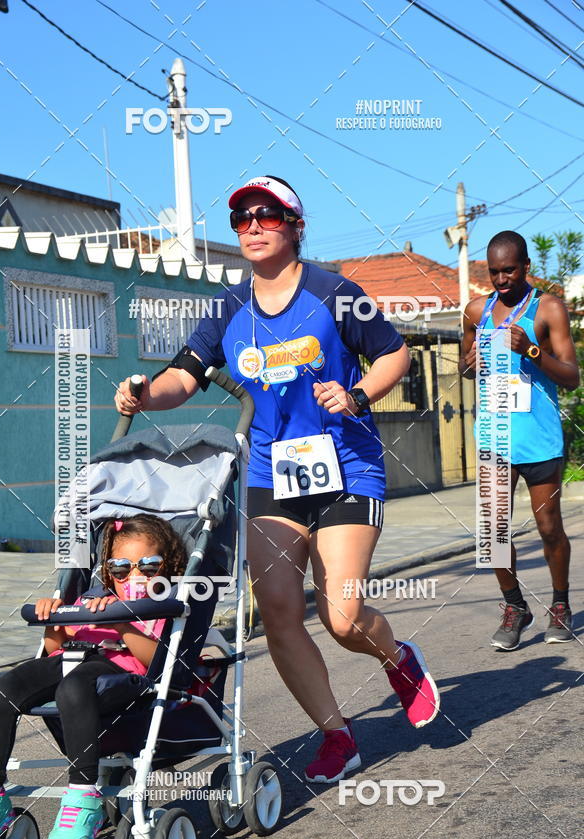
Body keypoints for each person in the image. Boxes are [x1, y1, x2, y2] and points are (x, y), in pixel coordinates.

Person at [115, 175, 440, 784]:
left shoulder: (336, 293)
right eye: (241, 218)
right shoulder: (228, 308)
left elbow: (395, 354)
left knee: (342, 617)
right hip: (272, 473)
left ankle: (398, 659)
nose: (253, 226)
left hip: (346, 467)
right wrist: (141, 393)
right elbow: (182, 376)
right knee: (282, 613)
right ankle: (337, 735)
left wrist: (358, 394)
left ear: (295, 225)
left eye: (266, 215)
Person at [0, 514, 186, 839]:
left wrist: (122, 620)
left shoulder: (164, 606)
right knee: (5, 687)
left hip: (120, 673)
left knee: (74, 688)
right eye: (122, 569)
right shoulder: (93, 600)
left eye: (149, 567)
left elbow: (156, 663)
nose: (135, 577)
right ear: (109, 572)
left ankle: (83, 796)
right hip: (70, 662)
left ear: (167, 568)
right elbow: (53, 651)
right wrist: (54, 620)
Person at [459, 230, 579, 651]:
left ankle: (560, 605)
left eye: (509, 270)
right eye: (494, 271)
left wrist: (530, 350)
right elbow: (466, 367)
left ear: (526, 267)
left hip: (539, 439)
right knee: (493, 532)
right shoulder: (476, 310)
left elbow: (570, 375)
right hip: (494, 438)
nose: (501, 279)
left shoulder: (548, 309)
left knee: (549, 527)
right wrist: (469, 364)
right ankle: (515, 607)